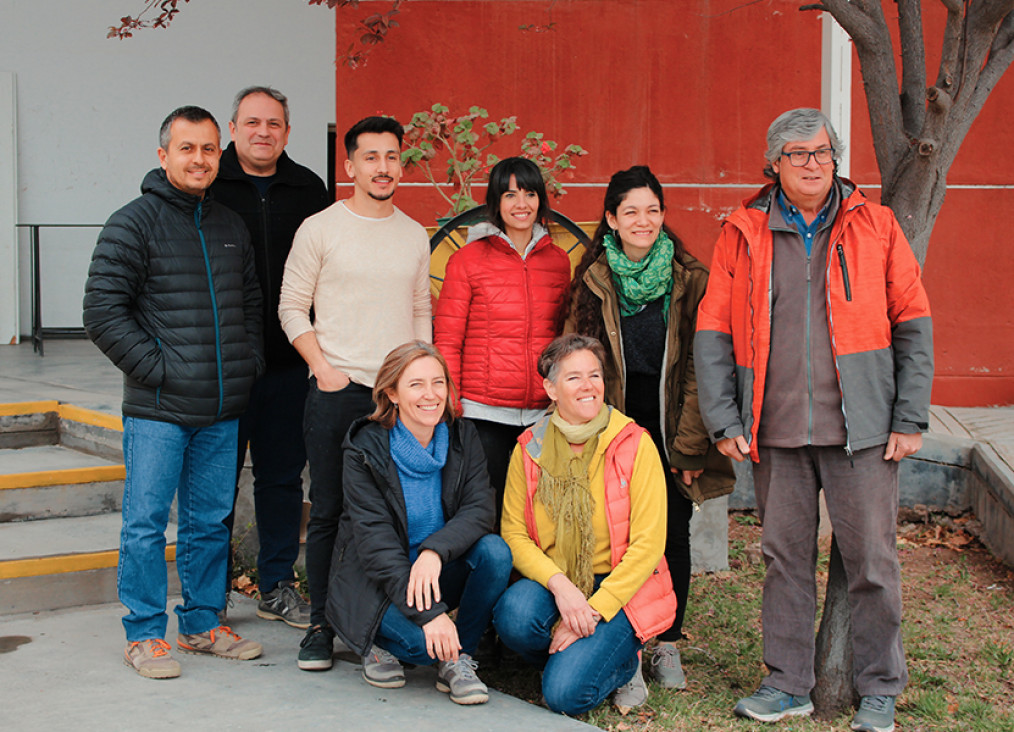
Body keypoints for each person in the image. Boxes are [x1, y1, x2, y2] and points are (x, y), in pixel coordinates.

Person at [695, 108, 933, 732]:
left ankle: (879, 686)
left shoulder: (875, 225)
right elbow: (714, 332)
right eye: (798, 154)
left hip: (865, 432)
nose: (813, 164)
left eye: (823, 152)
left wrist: (909, 416)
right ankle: (787, 683)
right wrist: (724, 419)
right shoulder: (742, 231)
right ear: (773, 162)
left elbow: (913, 322)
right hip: (774, 430)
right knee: (784, 561)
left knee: (873, 562)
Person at [83, 106, 265, 679]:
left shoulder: (230, 225)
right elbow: (101, 312)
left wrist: (247, 361)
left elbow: (251, 305)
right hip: (158, 409)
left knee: (209, 522)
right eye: (187, 148)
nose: (200, 159)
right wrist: (158, 370)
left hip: (221, 408)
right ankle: (143, 634)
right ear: (164, 156)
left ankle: (201, 624)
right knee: (145, 521)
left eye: (209, 149)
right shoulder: (131, 223)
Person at [565, 165, 734, 690]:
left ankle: (667, 642)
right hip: (610, 424)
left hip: (670, 426)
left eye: (653, 210)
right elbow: (573, 360)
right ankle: (625, 644)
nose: (644, 221)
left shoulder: (691, 280)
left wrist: (687, 449)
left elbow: (700, 372)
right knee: (614, 535)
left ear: (663, 215)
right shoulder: (592, 280)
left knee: (668, 534)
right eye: (631, 211)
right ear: (611, 219)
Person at [279, 115, 432, 671]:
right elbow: (291, 306)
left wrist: (422, 381)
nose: (382, 167)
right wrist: (322, 368)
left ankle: (377, 627)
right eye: (370, 157)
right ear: (349, 166)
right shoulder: (320, 228)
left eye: (392, 156)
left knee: (393, 516)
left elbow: (420, 311)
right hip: (337, 390)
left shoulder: (414, 234)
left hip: (396, 397)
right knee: (329, 510)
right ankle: (321, 624)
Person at [493, 334, 677, 715]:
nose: (588, 386)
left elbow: (648, 545)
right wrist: (562, 589)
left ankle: (622, 664)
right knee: (513, 616)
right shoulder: (530, 448)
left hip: (619, 587)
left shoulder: (633, 444)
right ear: (551, 387)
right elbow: (513, 532)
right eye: (574, 377)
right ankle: (583, 655)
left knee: (564, 696)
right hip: (559, 581)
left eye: (594, 375)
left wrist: (591, 612)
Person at [326, 341, 512, 705]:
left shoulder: (463, 437)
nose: (431, 395)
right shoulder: (365, 449)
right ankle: (379, 643)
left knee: (495, 553)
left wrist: (433, 552)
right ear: (392, 393)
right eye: (416, 385)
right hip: (378, 583)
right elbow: (376, 546)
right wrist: (431, 616)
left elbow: (480, 510)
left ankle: (460, 658)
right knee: (423, 648)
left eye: (438, 382)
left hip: (433, 572)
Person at [211, 86, 330, 629]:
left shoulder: (308, 188)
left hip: (288, 363)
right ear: (232, 128)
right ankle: (209, 592)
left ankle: (276, 584)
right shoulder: (211, 183)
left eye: (274, 123)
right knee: (216, 479)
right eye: (252, 121)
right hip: (223, 364)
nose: (264, 131)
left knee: (282, 479)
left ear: (287, 131)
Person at [433, 156, 571, 521]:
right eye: (510, 195)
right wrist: (453, 399)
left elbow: (563, 336)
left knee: (535, 514)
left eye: (529, 193)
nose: (521, 204)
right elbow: (448, 337)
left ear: (540, 199)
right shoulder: (467, 260)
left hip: (542, 412)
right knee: (486, 511)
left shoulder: (558, 261)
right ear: (495, 202)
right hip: (484, 411)